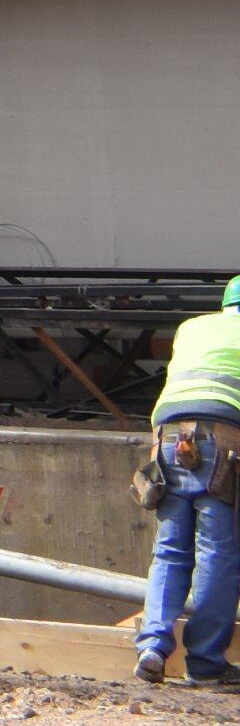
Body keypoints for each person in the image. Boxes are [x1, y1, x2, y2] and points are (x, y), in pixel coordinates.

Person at [142, 278, 240, 682]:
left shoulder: (192, 327)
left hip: (167, 438)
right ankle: (204, 663)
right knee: (216, 553)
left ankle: (151, 648)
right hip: (220, 443)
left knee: (169, 551)